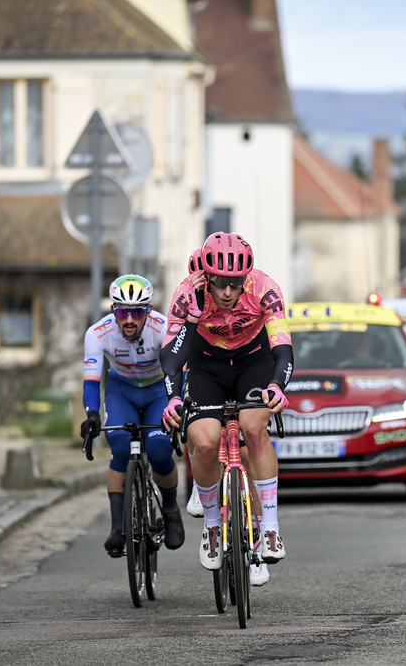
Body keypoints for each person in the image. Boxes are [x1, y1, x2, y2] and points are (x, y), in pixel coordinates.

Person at [161, 233, 292, 588]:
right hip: (206, 364)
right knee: (203, 441)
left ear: (245, 278)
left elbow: (282, 350)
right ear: (207, 276)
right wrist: (190, 320)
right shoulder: (188, 292)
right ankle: (212, 526)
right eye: (220, 284)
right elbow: (172, 360)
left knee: (253, 427)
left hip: (254, 359)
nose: (228, 293)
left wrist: (277, 386)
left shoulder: (265, 288)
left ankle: (269, 529)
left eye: (235, 284)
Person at [80, 275, 184, 558]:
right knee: (121, 449)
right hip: (121, 391)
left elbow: (179, 371)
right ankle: (117, 527)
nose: (129, 320)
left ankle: (171, 509)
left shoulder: (164, 328)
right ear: (114, 310)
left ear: (147, 312)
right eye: (123, 312)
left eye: (136, 312)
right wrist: (91, 414)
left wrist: (179, 403)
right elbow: (91, 381)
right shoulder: (97, 333)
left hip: (157, 391)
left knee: (161, 450)